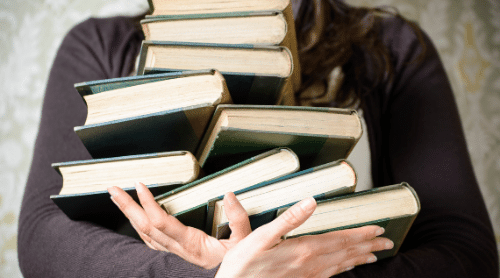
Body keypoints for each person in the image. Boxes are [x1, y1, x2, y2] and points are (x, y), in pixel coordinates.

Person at [18, 0, 498, 277]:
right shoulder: (101, 46)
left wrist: (305, 273)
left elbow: (467, 251)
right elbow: (44, 236)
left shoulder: (388, 49)